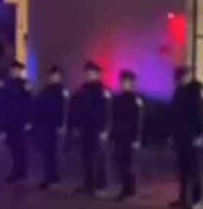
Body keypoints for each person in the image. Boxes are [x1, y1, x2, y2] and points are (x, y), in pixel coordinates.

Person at [169, 65, 203, 209]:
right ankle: (183, 199)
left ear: (189, 75)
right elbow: (174, 113)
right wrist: (173, 133)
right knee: (183, 169)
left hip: (195, 136)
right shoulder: (179, 90)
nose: (180, 80)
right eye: (178, 78)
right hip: (181, 136)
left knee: (195, 169)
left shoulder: (199, 89)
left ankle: (197, 199)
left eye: (183, 77)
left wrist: (201, 134)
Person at [70, 61, 111, 195]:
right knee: (86, 157)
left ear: (98, 75)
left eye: (92, 73)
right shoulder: (82, 90)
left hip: (98, 129)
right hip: (85, 128)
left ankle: (100, 185)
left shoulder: (103, 91)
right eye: (87, 73)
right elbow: (75, 109)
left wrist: (105, 129)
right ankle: (88, 184)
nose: (89, 76)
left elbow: (108, 111)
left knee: (99, 158)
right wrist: (76, 126)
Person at [34, 65, 70, 189]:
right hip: (46, 125)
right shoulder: (45, 90)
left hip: (57, 126)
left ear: (60, 77)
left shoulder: (63, 91)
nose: (54, 78)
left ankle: (56, 177)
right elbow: (38, 105)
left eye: (56, 76)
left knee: (57, 153)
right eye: (52, 76)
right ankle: (48, 177)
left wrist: (63, 125)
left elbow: (66, 109)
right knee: (47, 152)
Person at [111, 69, 145, 201]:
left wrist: (137, 138)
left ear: (132, 83)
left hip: (130, 136)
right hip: (120, 135)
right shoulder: (118, 98)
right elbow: (114, 117)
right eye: (122, 82)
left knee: (130, 164)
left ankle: (131, 190)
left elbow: (139, 120)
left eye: (127, 82)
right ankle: (124, 188)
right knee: (121, 163)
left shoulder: (136, 100)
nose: (124, 84)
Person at [3, 60, 33, 183]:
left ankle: (21, 171)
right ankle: (16, 170)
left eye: (16, 70)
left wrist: (28, 120)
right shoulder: (7, 84)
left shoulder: (25, 84)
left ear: (20, 71)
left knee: (21, 147)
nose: (13, 72)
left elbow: (29, 102)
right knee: (13, 146)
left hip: (20, 120)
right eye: (12, 69)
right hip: (10, 120)